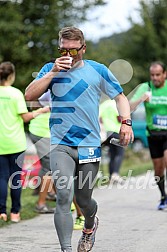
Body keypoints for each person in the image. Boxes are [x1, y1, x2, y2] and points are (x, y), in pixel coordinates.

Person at [25, 27, 133, 252]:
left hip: (89, 144)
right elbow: (29, 95)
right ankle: (66, 249)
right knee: (64, 195)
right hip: (60, 144)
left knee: (84, 200)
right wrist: (53, 71)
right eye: (63, 50)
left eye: (73, 51)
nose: (68, 56)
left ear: (83, 48)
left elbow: (120, 97)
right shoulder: (50, 69)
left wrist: (126, 122)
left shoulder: (97, 70)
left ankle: (90, 226)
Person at [0, 61, 49, 223]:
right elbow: (25, 117)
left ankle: (2, 212)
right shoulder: (15, 94)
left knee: (1, 178)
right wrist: (40, 111)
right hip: (16, 143)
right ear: (12, 76)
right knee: (15, 179)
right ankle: (15, 213)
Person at [129, 61, 167, 210]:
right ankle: (163, 196)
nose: (155, 78)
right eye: (152, 75)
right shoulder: (146, 87)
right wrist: (141, 99)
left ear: (164, 74)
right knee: (158, 170)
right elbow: (129, 107)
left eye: (158, 75)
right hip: (153, 134)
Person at [28, 90, 56, 213]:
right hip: (41, 131)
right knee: (49, 166)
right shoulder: (56, 87)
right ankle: (41, 204)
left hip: (45, 130)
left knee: (51, 165)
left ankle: (50, 192)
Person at [99, 99, 125, 184]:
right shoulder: (116, 104)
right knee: (119, 153)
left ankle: (110, 176)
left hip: (107, 133)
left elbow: (99, 118)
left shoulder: (103, 104)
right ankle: (115, 174)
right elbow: (119, 118)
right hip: (115, 131)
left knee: (112, 153)